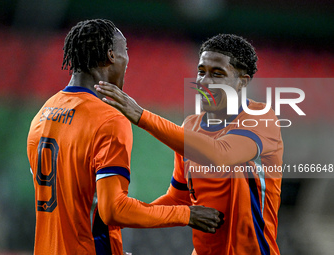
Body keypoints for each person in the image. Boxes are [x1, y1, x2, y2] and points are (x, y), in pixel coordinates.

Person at [26, 19, 222, 255]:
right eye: (124, 50)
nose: (127, 59)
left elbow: (76, 205)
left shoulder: (44, 113)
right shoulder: (108, 119)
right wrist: (187, 214)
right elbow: (113, 210)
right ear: (111, 56)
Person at [95, 34, 283, 255]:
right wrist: (125, 217)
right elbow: (179, 198)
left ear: (243, 81)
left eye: (218, 74)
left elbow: (220, 154)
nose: (204, 81)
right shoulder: (191, 127)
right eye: (201, 71)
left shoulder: (261, 118)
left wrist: (141, 116)